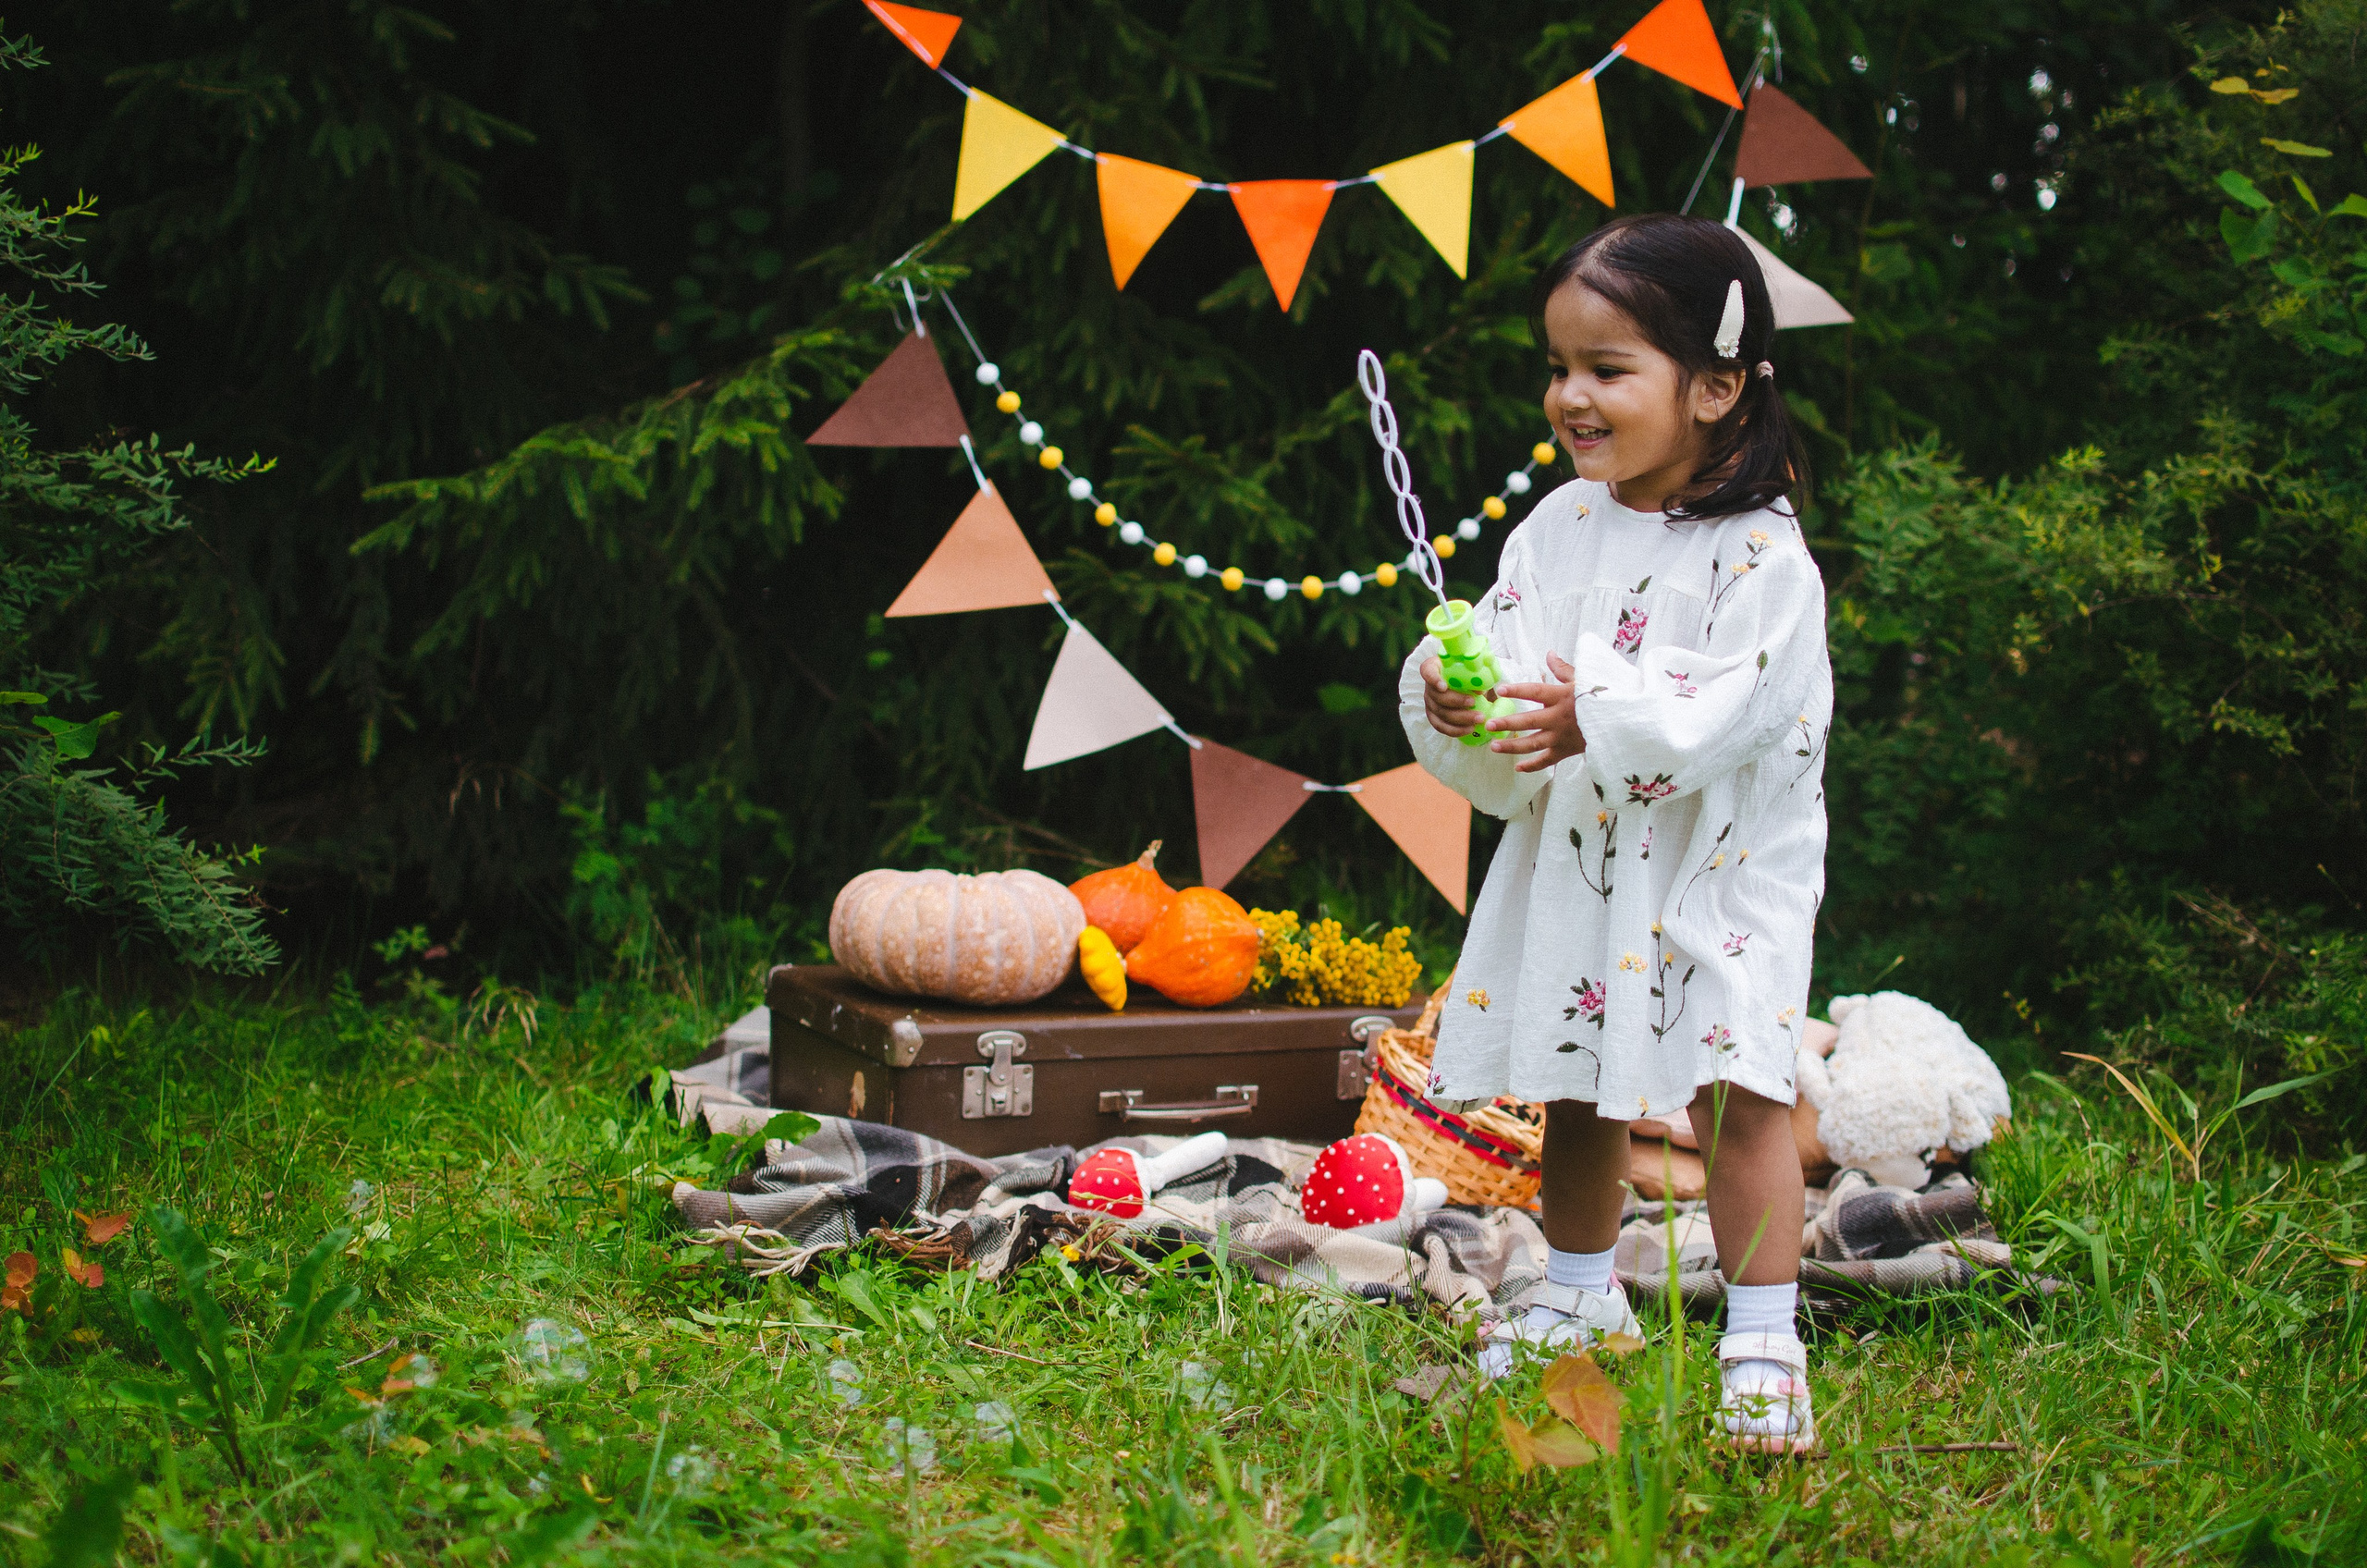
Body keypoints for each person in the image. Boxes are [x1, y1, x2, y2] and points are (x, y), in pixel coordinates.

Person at [1399, 213, 1831, 1454]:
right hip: (1588, 864)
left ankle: (1762, 1336)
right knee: (1579, 1078)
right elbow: (1516, 658)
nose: (1568, 397)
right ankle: (1577, 1296)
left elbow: (1740, 702)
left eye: (1606, 369)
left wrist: (1610, 713)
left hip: (1723, 869)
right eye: (1558, 366)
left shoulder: (1762, 555)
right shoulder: (1560, 525)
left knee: (1735, 1090)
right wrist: (1459, 697)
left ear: (1716, 385)